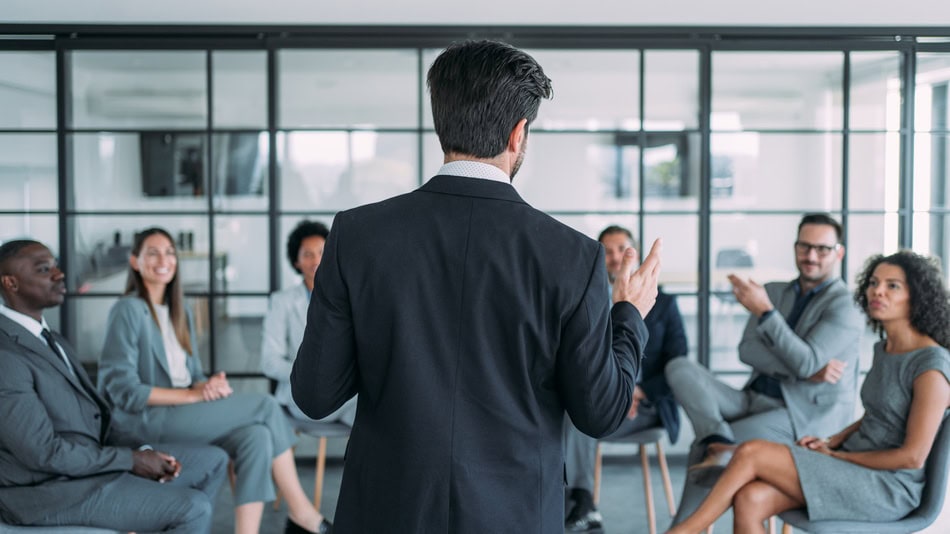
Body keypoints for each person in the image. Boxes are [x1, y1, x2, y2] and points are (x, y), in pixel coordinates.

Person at [291, 40, 663, 533]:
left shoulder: (356, 236)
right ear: (518, 134)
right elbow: (602, 413)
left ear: (440, 125)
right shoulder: (573, 256)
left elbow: (315, 395)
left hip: (386, 510)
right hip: (515, 515)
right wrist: (629, 316)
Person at [668, 250, 950, 533]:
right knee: (750, 498)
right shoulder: (885, 348)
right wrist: (832, 441)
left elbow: (912, 457)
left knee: (751, 452)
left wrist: (838, 457)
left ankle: (684, 531)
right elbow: (879, 415)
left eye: (892, 286)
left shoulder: (931, 367)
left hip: (888, 487)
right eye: (874, 283)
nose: (878, 291)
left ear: (918, 297)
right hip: (854, 465)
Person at [97, 227, 330, 534]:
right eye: (152, 253)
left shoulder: (180, 313)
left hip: (178, 415)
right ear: (135, 262)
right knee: (264, 405)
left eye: (169, 252)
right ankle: (302, 513)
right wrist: (192, 396)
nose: (163, 259)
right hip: (145, 419)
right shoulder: (128, 310)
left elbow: (190, 377)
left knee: (256, 437)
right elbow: (122, 390)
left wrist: (207, 385)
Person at [0, 239, 228, 533]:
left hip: (90, 467)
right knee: (193, 508)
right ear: (11, 283)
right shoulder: (6, 355)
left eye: (55, 264)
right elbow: (43, 454)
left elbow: (98, 416)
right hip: (51, 491)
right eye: (45, 269)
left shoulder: (51, 338)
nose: (59, 274)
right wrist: (129, 460)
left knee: (213, 461)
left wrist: (141, 449)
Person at [665, 213, 865, 523]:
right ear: (795, 247)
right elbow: (748, 350)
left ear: (838, 253)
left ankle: (680, 527)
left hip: (799, 416)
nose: (811, 256)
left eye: (822, 249)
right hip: (752, 398)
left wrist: (767, 314)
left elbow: (807, 360)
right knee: (679, 368)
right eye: (804, 246)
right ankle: (716, 436)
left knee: (703, 451)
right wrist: (799, 368)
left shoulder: (845, 306)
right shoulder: (773, 290)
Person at [564, 226, 688, 533]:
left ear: (634, 253)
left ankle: (577, 501)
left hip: (645, 409)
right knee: (574, 413)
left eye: (622, 249)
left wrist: (638, 391)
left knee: (581, 414)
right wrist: (613, 391)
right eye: (607, 251)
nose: (615, 257)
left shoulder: (665, 304)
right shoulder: (588, 302)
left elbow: (679, 365)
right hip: (602, 397)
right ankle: (582, 502)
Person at [262, 220, 356, 426]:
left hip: (345, 392)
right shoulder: (281, 301)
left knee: (375, 421)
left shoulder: (348, 298)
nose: (316, 260)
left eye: (322, 252)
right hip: (302, 394)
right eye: (307, 254)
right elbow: (269, 362)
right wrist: (311, 374)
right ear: (296, 261)